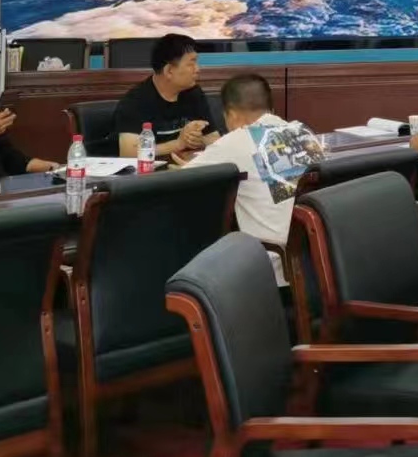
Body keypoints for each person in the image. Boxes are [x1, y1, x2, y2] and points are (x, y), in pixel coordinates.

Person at [176, 72, 323, 285]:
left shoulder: (236, 141)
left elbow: (181, 180)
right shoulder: (304, 133)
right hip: (313, 263)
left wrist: (181, 166)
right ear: (270, 108)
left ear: (232, 115)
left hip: (266, 268)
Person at [114, 33, 217, 159]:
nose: (197, 69)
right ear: (169, 71)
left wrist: (199, 141)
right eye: (191, 64)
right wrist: (178, 144)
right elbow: (128, 153)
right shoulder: (135, 102)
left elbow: (214, 137)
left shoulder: (193, 92)